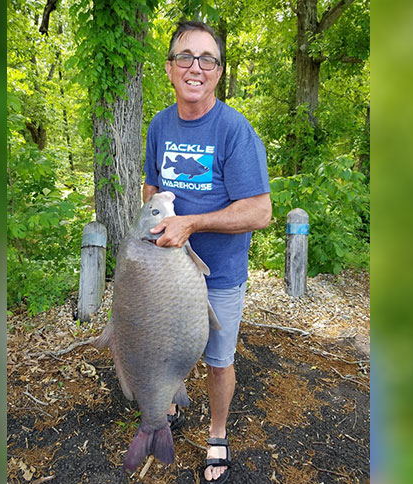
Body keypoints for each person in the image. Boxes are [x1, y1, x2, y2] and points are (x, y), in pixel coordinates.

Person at [142, 20, 271, 484]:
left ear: (218, 71)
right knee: (163, 348)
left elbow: (260, 211)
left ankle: (217, 432)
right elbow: (151, 185)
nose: (195, 67)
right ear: (170, 67)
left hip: (219, 273)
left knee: (218, 360)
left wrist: (192, 222)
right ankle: (168, 407)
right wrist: (155, 225)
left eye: (206, 59)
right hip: (166, 272)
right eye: (185, 57)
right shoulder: (160, 124)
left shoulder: (234, 130)